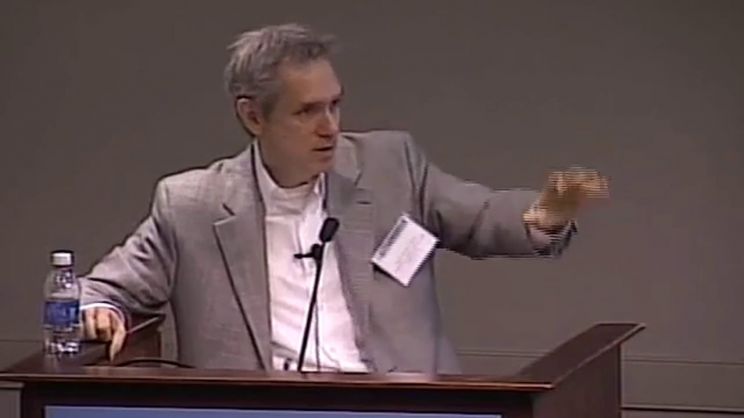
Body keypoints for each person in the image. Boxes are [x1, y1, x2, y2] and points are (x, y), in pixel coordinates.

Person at [81, 23, 608, 373]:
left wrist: (544, 213)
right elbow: (98, 291)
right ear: (253, 116)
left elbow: (480, 215)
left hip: (398, 406)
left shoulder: (390, 165)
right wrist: (100, 310)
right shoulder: (191, 205)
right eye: (307, 111)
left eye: (335, 105)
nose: (330, 127)